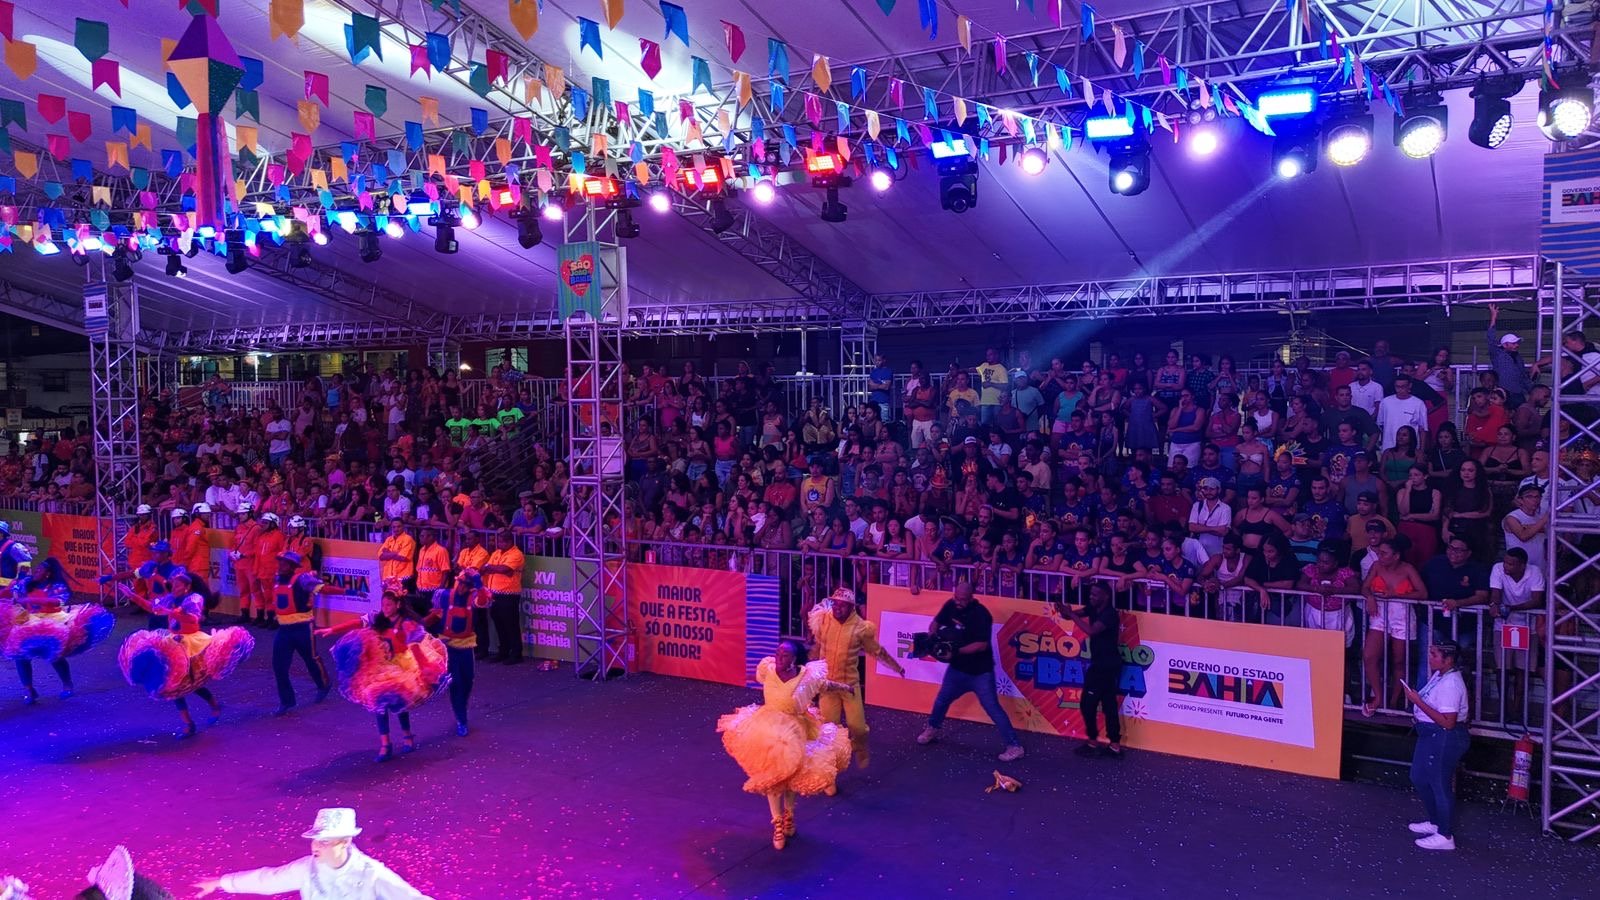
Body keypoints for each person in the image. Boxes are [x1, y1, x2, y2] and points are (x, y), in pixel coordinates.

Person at [716, 638, 853, 850]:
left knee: (790, 775)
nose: (779, 658)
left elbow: (824, 684)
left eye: (785, 655)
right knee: (773, 775)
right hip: (767, 728)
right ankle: (777, 821)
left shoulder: (805, 676)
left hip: (795, 729)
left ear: (794, 658)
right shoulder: (768, 668)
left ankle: (789, 815)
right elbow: (759, 677)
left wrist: (844, 687)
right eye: (778, 653)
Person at [117, 569, 254, 739]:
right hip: (172, 643)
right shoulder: (170, 599)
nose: (174, 586)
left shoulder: (194, 599)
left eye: (178, 584)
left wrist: (172, 612)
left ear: (187, 587)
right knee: (172, 683)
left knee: (191, 683)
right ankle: (189, 723)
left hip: (191, 644)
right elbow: (153, 608)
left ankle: (213, 705)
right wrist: (132, 595)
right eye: (173, 583)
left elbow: (193, 620)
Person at [319, 591, 450, 761]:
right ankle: (385, 745)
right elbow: (359, 622)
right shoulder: (379, 619)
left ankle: (407, 737)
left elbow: (416, 648)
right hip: (382, 666)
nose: (385, 608)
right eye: (383, 605)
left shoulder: (408, 624)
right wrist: (332, 629)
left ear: (398, 604)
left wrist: (427, 670)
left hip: (403, 665)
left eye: (389, 605)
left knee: (400, 702)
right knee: (378, 701)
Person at [195, 807, 432, 898]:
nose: (316, 846)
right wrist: (221, 882)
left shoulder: (371, 874)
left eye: (325, 841)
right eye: (316, 840)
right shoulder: (307, 868)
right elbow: (269, 880)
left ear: (345, 841)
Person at [916, 581, 1026, 761]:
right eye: (956, 598)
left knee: (993, 708)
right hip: (957, 669)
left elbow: (981, 645)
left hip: (980, 672)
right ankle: (932, 729)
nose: (958, 602)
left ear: (971, 597)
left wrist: (955, 651)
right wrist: (934, 637)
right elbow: (936, 622)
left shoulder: (981, 615)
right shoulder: (951, 605)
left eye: (963, 600)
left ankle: (1014, 746)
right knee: (942, 700)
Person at [807, 587, 905, 779]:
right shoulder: (824, 619)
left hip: (850, 685)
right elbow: (818, 646)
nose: (837, 608)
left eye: (842, 606)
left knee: (857, 727)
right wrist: (810, 669)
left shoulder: (860, 628)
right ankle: (830, 771)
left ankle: (860, 747)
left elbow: (877, 651)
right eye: (835, 604)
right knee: (828, 729)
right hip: (827, 686)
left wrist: (897, 667)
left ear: (851, 608)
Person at [4, 558, 114, 704]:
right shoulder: (28, 583)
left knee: (55, 654)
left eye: (39, 570)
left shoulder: (57, 586)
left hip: (52, 621)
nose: (36, 572)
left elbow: (57, 602)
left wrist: (32, 601)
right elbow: (13, 591)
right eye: (36, 569)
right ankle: (29, 689)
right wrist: (13, 591)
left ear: (48, 573)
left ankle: (67, 684)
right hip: (30, 622)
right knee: (19, 654)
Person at [1402, 641, 1471, 851]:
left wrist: (1417, 701)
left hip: (1443, 737)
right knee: (1418, 777)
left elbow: (1448, 722)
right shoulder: (1440, 675)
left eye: (1434, 654)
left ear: (1448, 659)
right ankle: (1435, 822)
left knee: (1439, 784)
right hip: (1429, 735)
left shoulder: (1451, 683)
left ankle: (1445, 835)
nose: (1430, 658)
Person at [268, 551, 339, 716]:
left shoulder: (302, 579)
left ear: (292, 566)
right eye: (279, 562)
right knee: (279, 666)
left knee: (311, 659)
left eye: (284, 563)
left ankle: (323, 684)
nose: (280, 565)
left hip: (302, 627)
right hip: (284, 630)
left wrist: (349, 592)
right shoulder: (277, 580)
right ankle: (286, 701)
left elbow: (325, 589)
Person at [1362, 538, 1426, 716]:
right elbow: (1365, 587)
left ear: (1396, 556)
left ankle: (1394, 699)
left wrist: (1395, 594)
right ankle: (1379, 697)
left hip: (1402, 615)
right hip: (1379, 613)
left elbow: (1422, 592)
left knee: (1399, 660)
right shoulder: (1376, 566)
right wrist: (1370, 597)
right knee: (1369, 656)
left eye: (1384, 553)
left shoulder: (1408, 569)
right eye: (1379, 552)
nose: (1379, 555)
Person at [427, 568, 492, 736]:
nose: (461, 587)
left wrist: (478, 583)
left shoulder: (473, 597)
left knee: (468, 680)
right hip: (447, 646)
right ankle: (461, 719)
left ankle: (461, 709)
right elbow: (433, 617)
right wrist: (417, 628)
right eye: (460, 583)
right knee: (455, 682)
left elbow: (484, 600)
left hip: (466, 646)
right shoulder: (443, 595)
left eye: (466, 585)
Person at [1063, 581, 1124, 757]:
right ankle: (1114, 745)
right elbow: (1072, 615)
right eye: (1091, 594)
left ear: (1106, 596)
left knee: (1088, 704)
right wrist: (1064, 610)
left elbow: (1091, 630)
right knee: (1109, 703)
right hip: (1104, 663)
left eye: (1095, 594)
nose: (1091, 597)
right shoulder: (1092, 608)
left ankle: (1092, 742)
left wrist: (1071, 616)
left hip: (1105, 665)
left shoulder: (1109, 614)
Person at [481, 529, 526, 664]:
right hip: (494, 593)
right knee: (499, 624)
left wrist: (491, 567)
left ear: (509, 542)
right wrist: (493, 567)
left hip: (509, 594)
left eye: (501, 542)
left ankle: (516, 654)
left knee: (511, 624)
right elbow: (484, 568)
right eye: (498, 541)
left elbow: (505, 569)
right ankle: (503, 651)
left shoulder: (517, 554)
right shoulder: (496, 553)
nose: (499, 544)